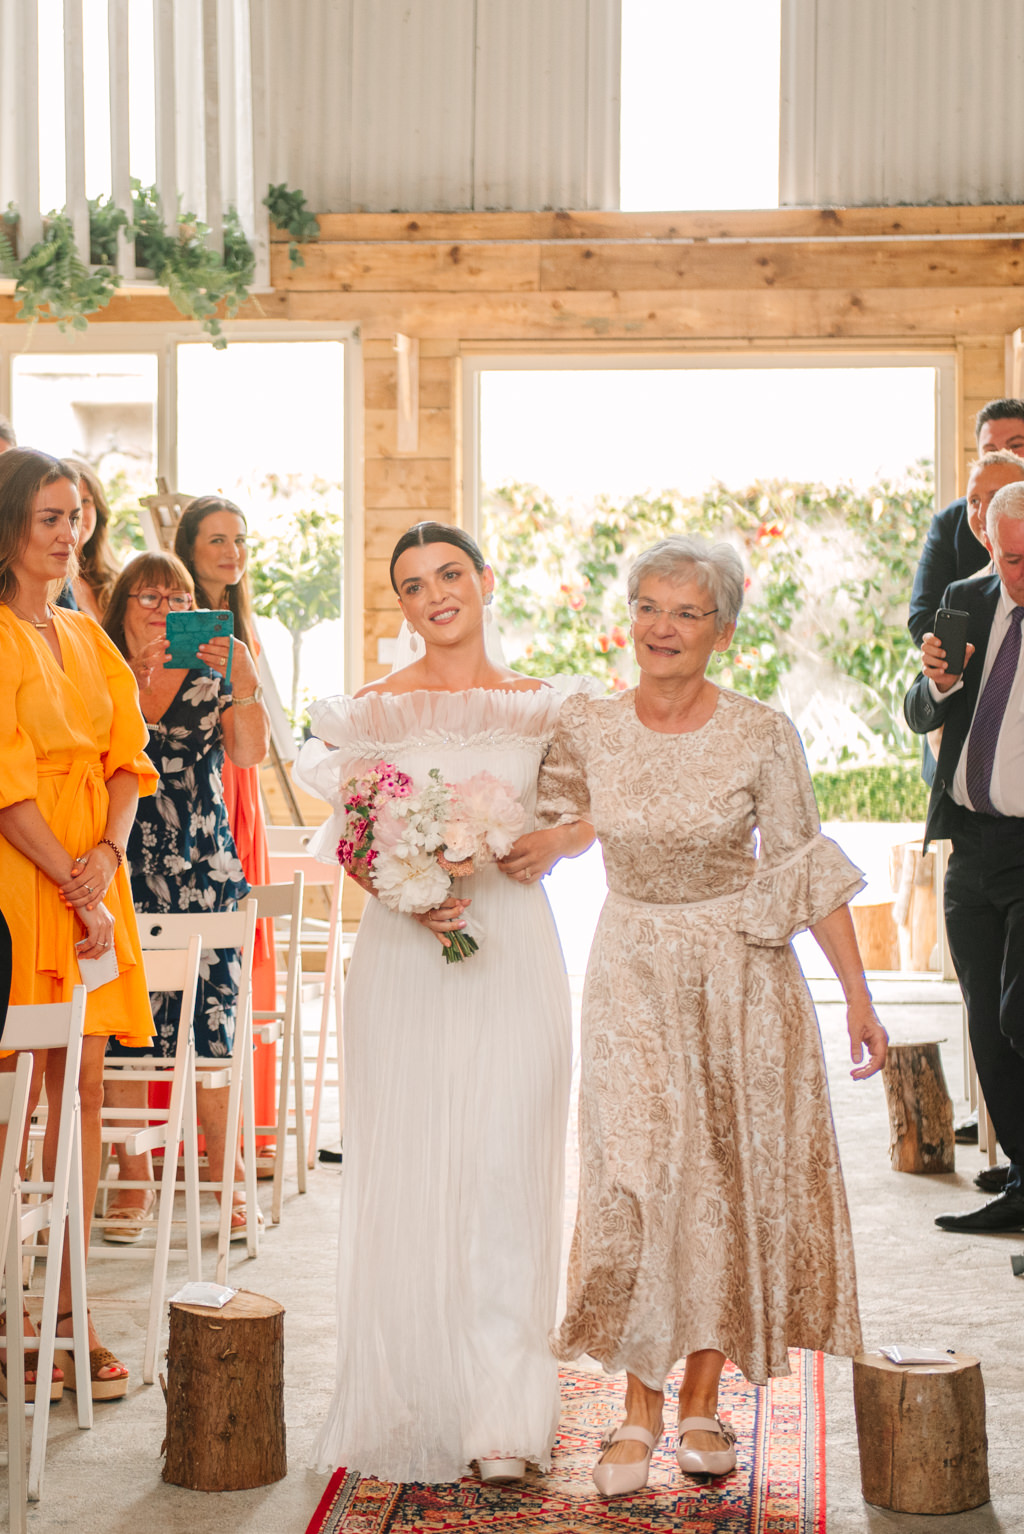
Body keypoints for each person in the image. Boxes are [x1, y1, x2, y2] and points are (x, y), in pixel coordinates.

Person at [526, 535, 887, 1497]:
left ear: (722, 631)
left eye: (688, 613)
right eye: (650, 606)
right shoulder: (589, 726)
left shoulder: (763, 733)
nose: (664, 628)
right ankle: (632, 1410)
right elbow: (551, 825)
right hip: (631, 968)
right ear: (629, 617)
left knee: (718, 1186)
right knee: (636, 1175)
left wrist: (857, 996)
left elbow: (803, 866)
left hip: (739, 978)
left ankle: (695, 1403)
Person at [293, 521, 592, 1485]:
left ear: (484, 579)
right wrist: (405, 892)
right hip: (406, 962)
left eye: (450, 574)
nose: (435, 595)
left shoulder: (546, 706)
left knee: (508, 1166)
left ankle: (505, 1413)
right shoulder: (369, 714)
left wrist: (554, 844)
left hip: (512, 951)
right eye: (414, 585)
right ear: (403, 605)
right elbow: (347, 836)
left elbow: (604, 806)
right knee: (415, 1165)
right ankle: (417, 1393)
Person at [0, 447, 158, 1400]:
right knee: (13, 1111)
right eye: (51, 518)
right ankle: (15, 1313)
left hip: (96, 887)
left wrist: (106, 857)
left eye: (78, 519)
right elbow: (7, 783)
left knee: (82, 1108)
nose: (69, 537)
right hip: (21, 886)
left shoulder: (84, 634)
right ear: (11, 525)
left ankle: (69, 1314)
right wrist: (72, 877)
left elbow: (127, 758)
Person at [101, 551, 270, 1239]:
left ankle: (228, 1182)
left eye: (176, 597)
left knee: (212, 1026)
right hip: (123, 858)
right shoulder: (100, 666)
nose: (164, 608)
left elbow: (250, 755)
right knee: (124, 1025)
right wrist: (132, 683)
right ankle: (132, 1183)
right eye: (148, 597)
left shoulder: (213, 668)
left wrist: (248, 683)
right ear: (121, 607)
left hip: (201, 861)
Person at [905, 483, 1024, 1234]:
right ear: (989, 546)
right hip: (970, 840)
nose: (1020, 571)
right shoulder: (967, 598)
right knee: (986, 1021)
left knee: (1020, 1011)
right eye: (1011, 557)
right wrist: (938, 684)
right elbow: (920, 710)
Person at [173, 497, 277, 1162]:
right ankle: (176, 1138)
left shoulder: (244, 625)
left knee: (244, 951)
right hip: (194, 783)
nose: (231, 552)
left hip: (241, 783)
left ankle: (245, 1128)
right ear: (189, 546)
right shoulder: (172, 618)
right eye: (216, 539)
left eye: (239, 540)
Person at [909, 398, 1024, 648]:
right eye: (991, 451)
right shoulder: (954, 521)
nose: (1004, 457)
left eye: (1016, 446)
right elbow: (923, 618)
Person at [63, 458, 120, 619]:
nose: (78, 514)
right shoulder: (42, 584)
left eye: (85, 501)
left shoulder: (112, 579)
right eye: (69, 502)